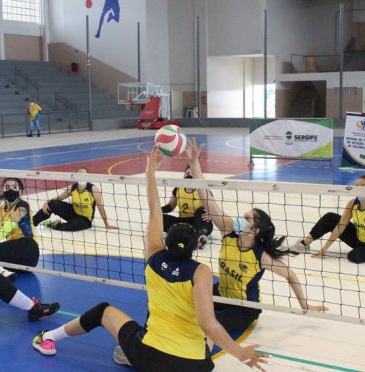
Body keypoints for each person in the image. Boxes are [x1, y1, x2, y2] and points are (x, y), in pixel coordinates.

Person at [31, 147, 267, 372]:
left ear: (166, 241)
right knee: (203, 326)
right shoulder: (201, 272)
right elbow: (209, 324)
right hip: (192, 365)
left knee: (104, 311)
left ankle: (48, 337)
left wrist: (150, 171)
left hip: (147, 356)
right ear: (195, 247)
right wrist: (239, 352)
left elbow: (155, 210)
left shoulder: (153, 256)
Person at [187, 138, 328, 333]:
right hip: (221, 293)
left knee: (205, 322)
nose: (241, 218)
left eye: (247, 218)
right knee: (186, 305)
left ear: (254, 230)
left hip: (245, 308)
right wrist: (194, 162)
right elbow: (206, 197)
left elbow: (291, 275)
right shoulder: (229, 231)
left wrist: (305, 306)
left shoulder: (260, 256)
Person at [290, 174, 365, 269]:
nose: (358, 188)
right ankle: (304, 244)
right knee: (330, 217)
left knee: (353, 257)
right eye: (357, 185)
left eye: (362, 185)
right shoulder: (352, 203)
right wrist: (324, 249)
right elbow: (340, 227)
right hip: (358, 239)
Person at [0, 177, 40, 279]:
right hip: (15, 255)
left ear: (20, 192)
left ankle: (0, 273)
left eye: (14, 187)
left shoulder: (23, 206)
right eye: (7, 187)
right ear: (3, 190)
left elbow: (14, 220)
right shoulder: (1, 210)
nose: (10, 189)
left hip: (28, 248)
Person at [32, 167, 118, 232]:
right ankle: (31, 222)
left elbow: (100, 207)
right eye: (79, 175)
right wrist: (46, 202)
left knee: (71, 226)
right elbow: (58, 198)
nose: (82, 177)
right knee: (52, 204)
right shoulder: (72, 188)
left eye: (84, 175)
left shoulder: (93, 189)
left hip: (85, 219)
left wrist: (107, 224)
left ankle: (54, 225)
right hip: (73, 213)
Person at [162, 165, 214, 249]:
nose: (189, 175)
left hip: (200, 223)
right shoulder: (178, 188)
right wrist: (158, 210)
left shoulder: (203, 190)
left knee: (201, 211)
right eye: (188, 173)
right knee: (160, 217)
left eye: (193, 174)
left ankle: (201, 237)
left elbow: (214, 209)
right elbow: (170, 206)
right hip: (183, 223)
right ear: (184, 175)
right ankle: (187, 235)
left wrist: (211, 214)